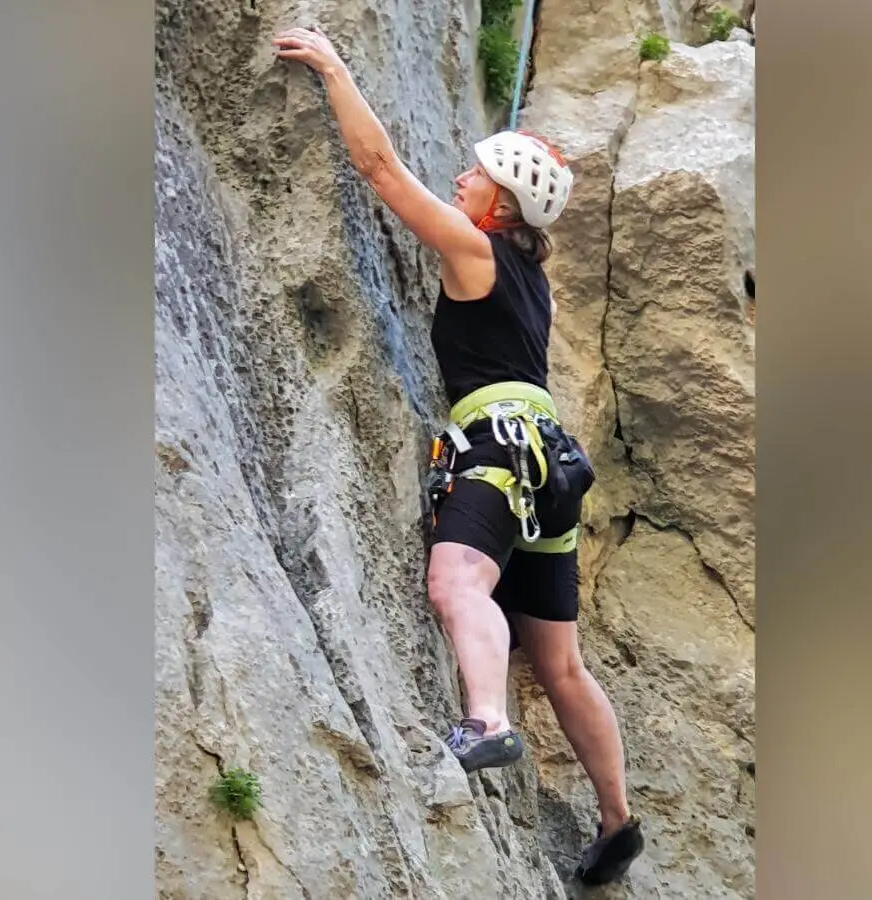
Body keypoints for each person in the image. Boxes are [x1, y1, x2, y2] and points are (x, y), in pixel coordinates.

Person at [273, 24, 645, 884]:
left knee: (456, 583)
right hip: (551, 467)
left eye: (476, 174)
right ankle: (617, 819)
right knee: (556, 660)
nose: (462, 177)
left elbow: (381, 172)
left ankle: (484, 720)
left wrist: (334, 67)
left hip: (499, 449)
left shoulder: (475, 250)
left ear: (501, 205)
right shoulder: (530, 277)